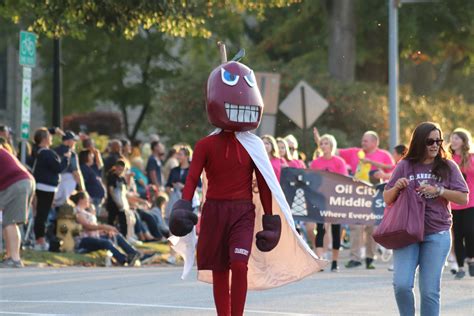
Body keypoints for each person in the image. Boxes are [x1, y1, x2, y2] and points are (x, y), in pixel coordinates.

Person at [169, 47, 325, 316]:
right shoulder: (205, 145)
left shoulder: (254, 146)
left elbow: (265, 183)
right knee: (220, 270)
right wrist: (184, 204)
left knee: (239, 264)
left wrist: (270, 219)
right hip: (214, 211)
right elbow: (193, 176)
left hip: (242, 212)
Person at [384, 122, 468, 316]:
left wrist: (439, 190)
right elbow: (387, 198)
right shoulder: (405, 165)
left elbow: (464, 197)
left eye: (438, 141)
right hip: (407, 231)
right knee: (402, 285)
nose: (435, 145)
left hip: (437, 233)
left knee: (430, 291)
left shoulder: (447, 166)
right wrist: (397, 186)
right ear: (419, 142)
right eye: (430, 141)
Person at [335, 130, 395, 269]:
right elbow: (335, 151)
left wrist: (373, 163)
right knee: (355, 226)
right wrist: (321, 139)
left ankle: (370, 257)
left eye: (366, 141)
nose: (363, 143)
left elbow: (393, 168)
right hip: (357, 195)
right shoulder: (355, 152)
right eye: (362, 140)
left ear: (375, 142)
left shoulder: (384, 155)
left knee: (373, 228)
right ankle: (355, 258)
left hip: (376, 195)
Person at [71, 191, 142, 266]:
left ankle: (133, 253)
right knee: (106, 242)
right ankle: (123, 259)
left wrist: (105, 231)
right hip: (83, 241)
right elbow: (87, 227)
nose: (89, 200)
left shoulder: (85, 212)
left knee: (115, 236)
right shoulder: (77, 211)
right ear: (81, 199)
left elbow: (94, 227)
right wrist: (105, 227)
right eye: (87, 198)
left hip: (94, 237)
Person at [310, 134, 348, 272]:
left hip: (335, 200)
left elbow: (343, 179)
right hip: (320, 199)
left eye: (326, 143)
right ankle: (320, 261)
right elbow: (312, 180)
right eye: (322, 143)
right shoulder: (316, 162)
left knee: (336, 229)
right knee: (320, 228)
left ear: (332, 145)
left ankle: (334, 261)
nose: (324, 145)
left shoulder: (339, 162)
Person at [32, 128, 70, 250]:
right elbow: (58, 168)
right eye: (50, 136)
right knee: (42, 215)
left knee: (41, 214)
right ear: (44, 139)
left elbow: (40, 134)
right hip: (46, 188)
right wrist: (67, 158)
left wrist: (53, 130)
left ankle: (40, 239)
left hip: (42, 186)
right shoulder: (46, 153)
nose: (52, 138)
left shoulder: (38, 151)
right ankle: (40, 241)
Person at [0, 144, 35, 268]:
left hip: (16, 183)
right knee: (8, 221)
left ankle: (14, 258)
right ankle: (10, 257)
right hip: (21, 182)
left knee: (10, 222)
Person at [449, 127, 474, 279]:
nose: (453, 140)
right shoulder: (447, 159)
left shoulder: (471, 157)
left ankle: (471, 259)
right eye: (452, 138)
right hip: (453, 202)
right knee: (457, 235)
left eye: (457, 138)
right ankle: (460, 267)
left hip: (471, 201)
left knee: (470, 232)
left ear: (464, 141)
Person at [54, 131, 85, 206]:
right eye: (73, 140)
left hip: (53, 182)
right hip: (67, 183)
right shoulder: (71, 153)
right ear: (68, 141)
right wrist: (82, 188)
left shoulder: (54, 151)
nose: (75, 142)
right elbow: (76, 172)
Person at [79, 150, 106, 217]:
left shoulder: (91, 168)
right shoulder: (83, 168)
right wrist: (87, 197)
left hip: (97, 198)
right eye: (91, 156)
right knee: (92, 219)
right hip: (92, 198)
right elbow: (83, 184)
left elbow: (100, 165)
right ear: (85, 157)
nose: (93, 157)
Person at [106, 159, 129, 236]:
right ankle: (110, 236)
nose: (121, 171)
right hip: (113, 203)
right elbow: (111, 190)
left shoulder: (122, 178)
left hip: (121, 203)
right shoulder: (112, 177)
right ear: (116, 167)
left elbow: (125, 190)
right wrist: (116, 202)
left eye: (122, 170)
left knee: (123, 222)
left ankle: (124, 237)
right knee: (111, 221)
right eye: (119, 169)